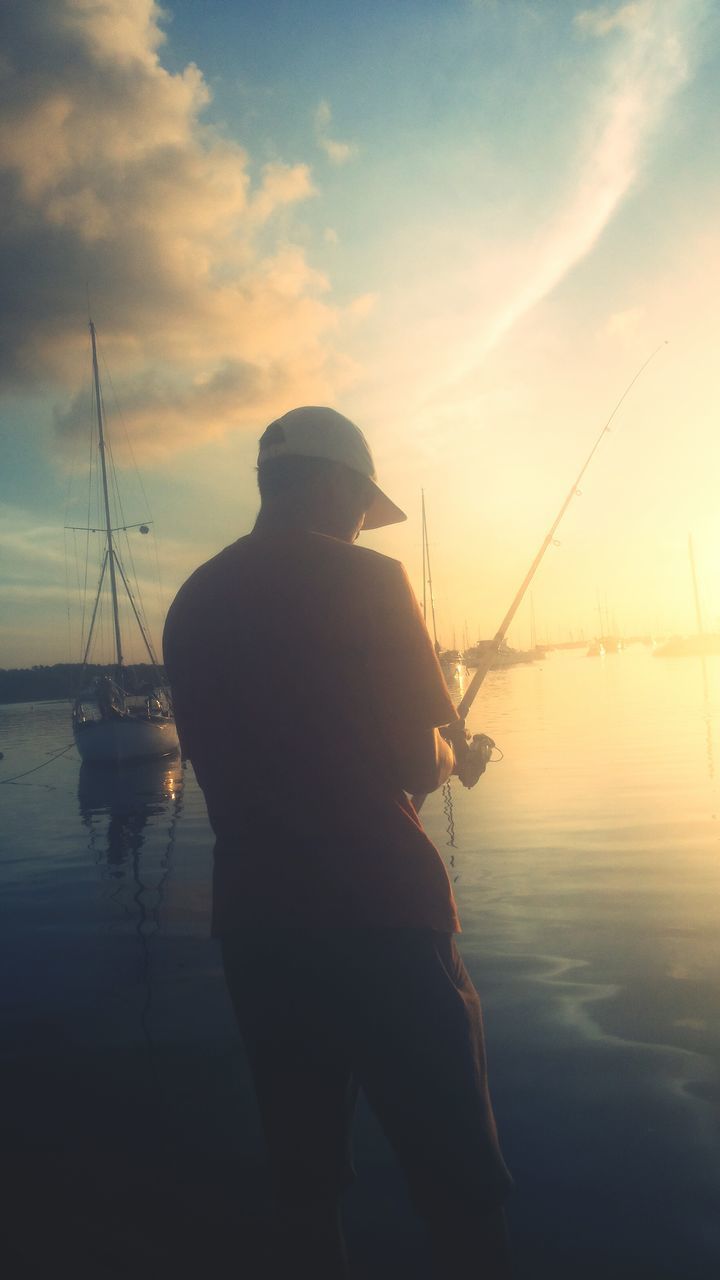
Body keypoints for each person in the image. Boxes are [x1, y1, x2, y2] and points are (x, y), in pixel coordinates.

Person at [162, 406, 513, 1278]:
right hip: (385, 917)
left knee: (307, 1182)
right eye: (362, 503)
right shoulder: (371, 582)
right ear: (335, 485)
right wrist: (455, 754)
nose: (364, 522)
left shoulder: (191, 603)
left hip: (257, 929)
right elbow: (415, 760)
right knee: (461, 1183)